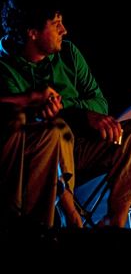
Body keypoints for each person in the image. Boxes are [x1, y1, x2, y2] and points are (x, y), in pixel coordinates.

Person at [0, 0, 131, 228]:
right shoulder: (5, 66)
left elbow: (99, 102)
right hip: (41, 162)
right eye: (56, 23)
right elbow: (18, 124)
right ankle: (71, 218)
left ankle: (115, 221)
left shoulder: (68, 54)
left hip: (84, 147)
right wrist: (70, 114)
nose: (64, 30)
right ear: (32, 32)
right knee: (56, 129)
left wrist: (80, 113)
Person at [0, 88, 82, 228]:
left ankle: (115, 221)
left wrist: (62, 105)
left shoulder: (70, 66)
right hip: (20, 139)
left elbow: (99, 103)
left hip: (73, 133)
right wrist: (29, 98)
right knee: (50, 130)